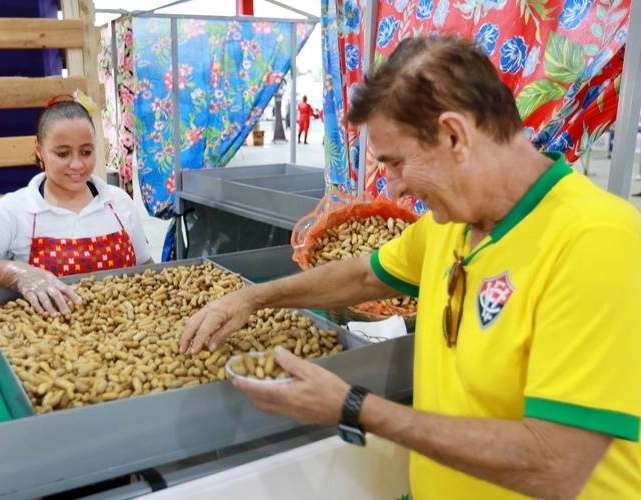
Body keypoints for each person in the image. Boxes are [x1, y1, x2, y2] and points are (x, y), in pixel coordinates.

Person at [179, 35, 641, 499]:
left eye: (396, 163)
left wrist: (353, 406)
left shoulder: (595, 240)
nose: (394, 190)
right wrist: (251, 298)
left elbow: (554, 465)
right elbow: (362, 275)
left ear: (455, 135)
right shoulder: (451, 224)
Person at [0, 95, 153, 316]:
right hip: (49, 341)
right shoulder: (15, 210)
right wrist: (16, 273)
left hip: (126, 337)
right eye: (62, 154)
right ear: (39, 149)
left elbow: (146, 267)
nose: (77, 164)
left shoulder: (118, 203)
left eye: (86, 152)